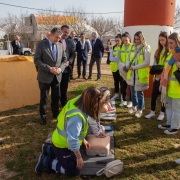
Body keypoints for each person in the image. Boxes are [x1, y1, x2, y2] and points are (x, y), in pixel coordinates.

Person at [35, 86, 105, 176]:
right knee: (73, 170)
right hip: (64, 145)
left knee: (69, 156)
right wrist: (78, 157)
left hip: (59, 139)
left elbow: (73, 130)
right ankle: (45, 161)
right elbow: (72, 140)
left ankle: (48, 149)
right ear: (93, 103)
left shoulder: (80, 100)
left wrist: (83, 140)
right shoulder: (77, 117)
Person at [34, 27, 67, 125]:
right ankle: (43, 116)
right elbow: (37, 60)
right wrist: (49, 68)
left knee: (56, 96)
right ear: (51, 35)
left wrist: (60, 69)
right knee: (44, 98)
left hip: (57, 76)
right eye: (56, 37)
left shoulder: (60, 46)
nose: (58, 39)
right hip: (44, 76)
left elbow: (64, 60)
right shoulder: (41, 45)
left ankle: (55, 114)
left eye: (59, 38)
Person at [124, 31, 151, 118]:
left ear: (142, 38)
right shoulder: (132, 47)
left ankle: (140, 109)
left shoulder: (145, 48)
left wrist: (134, 67)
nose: (136, 41)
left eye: (138, 39)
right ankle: (134, 106)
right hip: (132, 74)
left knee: (139, 93)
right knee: (132, 92)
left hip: (139, 74)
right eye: (135, 39)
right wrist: (127, 64)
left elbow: (146, 63)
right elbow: (128, 57)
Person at [158, 32, 180, 134]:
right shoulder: (170, 54)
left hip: (177, 88)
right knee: (169, 107)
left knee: (176, 109)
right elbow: (164, 71)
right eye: (169, 43)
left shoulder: (178, 55)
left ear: (177, 42)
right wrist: (162, 84)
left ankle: (175, 127)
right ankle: (169, 123)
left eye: (171, 43)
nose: (169, 45)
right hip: (168, 87)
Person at [145, 32, 169, 120]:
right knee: (154, 94)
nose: (161, 42)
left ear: (167, 39)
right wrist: (156, 73)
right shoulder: (158, 51)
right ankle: (152, 112)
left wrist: (162, 74)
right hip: (157, 77)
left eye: (163, 40)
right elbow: (155, 64)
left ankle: (162, 113)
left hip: (165, 77)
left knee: (163, 96)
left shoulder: (170, 51)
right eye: (160, 40)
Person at [60, 25, 74, 106]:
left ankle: (63, 101)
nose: (66, 33)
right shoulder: (57, 40)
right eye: (65, 32)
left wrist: (69, 61)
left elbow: (72, 53)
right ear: (61, 30)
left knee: (64, 85)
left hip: (66, 67)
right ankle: (57, 99)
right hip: (58, 67)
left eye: (67, 32)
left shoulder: (70, 40)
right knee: (58, 85)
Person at [118, 32, 133, 108]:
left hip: (130, 70)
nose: (124, 42)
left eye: (126, 40)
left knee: (131, 87)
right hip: (122, 70)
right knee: (123, 86)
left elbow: (133, 58)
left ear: (129, 39)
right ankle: (123, 100)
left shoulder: (133, 47)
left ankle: (131, 101)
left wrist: (128, 66)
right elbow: (119, 58)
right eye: (123, 41)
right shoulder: (121, 47)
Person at [109, 35, 122, 101]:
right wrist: (117, 58)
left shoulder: (123, 47)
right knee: (116, 82)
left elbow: (122, 58)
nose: (117, 42)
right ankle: (116, 95)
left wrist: (116, 58)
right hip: (114, 68)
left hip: (121, 68)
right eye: (116, 40)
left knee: (122, 82)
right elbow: (110, 58)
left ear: (121, 40)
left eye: (118, 40)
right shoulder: (113, 48)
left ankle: (123, 96)